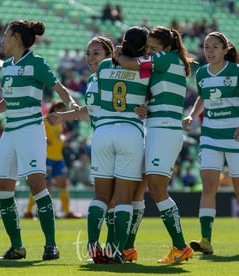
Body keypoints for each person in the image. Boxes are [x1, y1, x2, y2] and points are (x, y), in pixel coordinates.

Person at [0, 19, 78, 261]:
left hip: (31, 130)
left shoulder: (36, 62)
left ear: (17, 38)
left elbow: (57, 86)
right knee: (3, 188)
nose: (2, 40)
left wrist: (72, 105)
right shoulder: (7, 65)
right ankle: (17, 246)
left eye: (6, 35)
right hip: (10, 132)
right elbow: (9, 101)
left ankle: (51, 245)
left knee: (36, 185)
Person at [47, 34, 148, 264]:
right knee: (122, 200)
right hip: (128, 133)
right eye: (88, 54)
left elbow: (92, 110)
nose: (91, 58)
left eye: (96, 53)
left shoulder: (100, 75)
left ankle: (95, 246)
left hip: (102, 135)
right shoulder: (141, 69)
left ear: (110, 54)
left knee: (104, 198)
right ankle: (115, 251)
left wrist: (64, 115)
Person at [115, 25, 195, 264]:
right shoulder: (167, 61)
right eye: (147, 47)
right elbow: (162, 95)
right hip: (156, 126)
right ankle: (128, 248)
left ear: (166, 48)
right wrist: (147, 108)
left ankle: (181, 247)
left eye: (152, 48)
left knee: (157, 190)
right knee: (139, 188)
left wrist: (118, 55)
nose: (148, 51)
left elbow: (130, 64)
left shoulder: (166, 58)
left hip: (164, 131)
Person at [182, 31, 239, 255]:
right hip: (210, 136)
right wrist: (191, 115)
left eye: (215, 47)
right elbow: (202, 97)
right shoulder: (202, 74)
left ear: (225, 50)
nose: (210, 51)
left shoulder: (238, 72)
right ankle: (206, 239)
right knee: (209, 186)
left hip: (236, 137)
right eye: (207, 47)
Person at [24, 100, 81, 219]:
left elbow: (57, 138)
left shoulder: (60, 123)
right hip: (47, 158)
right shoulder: (46, 120)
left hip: (58, 158)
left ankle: (67, 212)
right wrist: (44, 139)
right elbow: (35, 133)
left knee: (63, 184)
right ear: (56, 109)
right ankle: (30, 212)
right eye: (63, 110)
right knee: (44, 187)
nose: (65, 113)